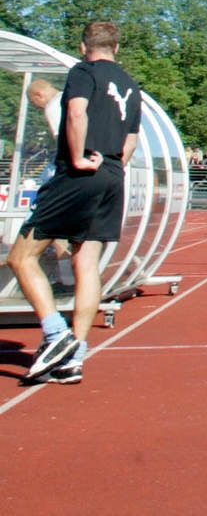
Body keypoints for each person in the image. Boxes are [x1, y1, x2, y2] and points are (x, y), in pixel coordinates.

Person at [7, 21, 143, 386]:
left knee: (21, 256)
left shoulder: (83, 72)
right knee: (86, 266)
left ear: (84, 48)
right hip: (114, 175)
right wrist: (110, 170)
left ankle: (56, 335)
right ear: (117, 47)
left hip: (80, 174)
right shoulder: (131, 85)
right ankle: (74, 358)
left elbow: (77, 112)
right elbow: (131, 140)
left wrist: (81, 158)